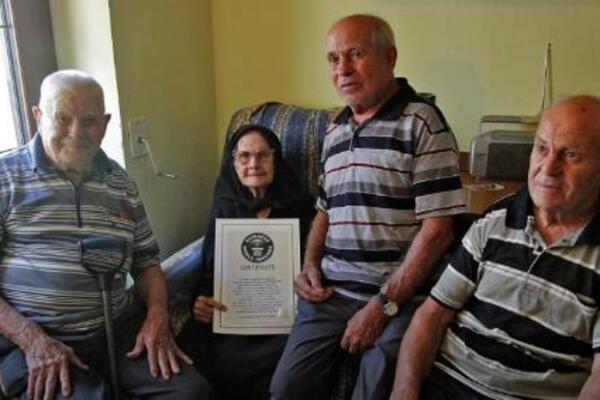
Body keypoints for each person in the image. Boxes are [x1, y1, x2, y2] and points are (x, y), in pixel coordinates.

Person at [270, 14, 465, 400]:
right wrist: (310, 265)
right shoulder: (335, 129)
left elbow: (438, 230)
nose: (342, 69)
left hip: (400, 297)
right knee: (285, 389)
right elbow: (325, 209)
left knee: (374, 390)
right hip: (330, 294)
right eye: (333, 59)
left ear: (390, 57)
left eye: (355, 54)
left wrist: (382, 306)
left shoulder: (422, 123)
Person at [0, 70, 213, 399]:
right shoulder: (5, 178)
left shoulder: (119, 182)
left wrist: (157, 317)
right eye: (63, 118)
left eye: (89, 120)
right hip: (36, 338)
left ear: (105, 123)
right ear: (38, 116)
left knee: (191, 393)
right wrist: (32, 339)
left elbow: (146, 262)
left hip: (118, 330)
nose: (76, 132)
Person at [390, 95, 600, 400]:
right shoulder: (495, 221)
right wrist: (404, 390)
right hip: (447, 384)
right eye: (542, 148)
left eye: (571, 155)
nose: (548, 167)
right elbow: (432, 315)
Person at [177, 124, 316, 400]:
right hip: (234, 314)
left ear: (275, 159)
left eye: (262, 155)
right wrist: (201, 300)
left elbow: (313, 263)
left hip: (281, 318)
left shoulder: (300, 205)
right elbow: (209, 268)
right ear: (234, 162)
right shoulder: (224, 204)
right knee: (196, 350)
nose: (254, 164)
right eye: (244, 156)